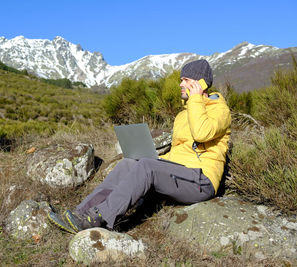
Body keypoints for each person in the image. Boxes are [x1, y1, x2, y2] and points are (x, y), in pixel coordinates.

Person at [48, 59, 231, 234]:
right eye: (181, 80)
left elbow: (201, 133)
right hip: (181, 173)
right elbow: (179, 153)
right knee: (128, 163)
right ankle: (81, 212)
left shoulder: (219, 109)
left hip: (201, 180)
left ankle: (99, 218)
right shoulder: (183, 115)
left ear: (201, 83)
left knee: (146, 167)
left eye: (186, 80)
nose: (180, 84)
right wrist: (153, 158)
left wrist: (196, 99)